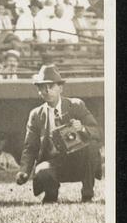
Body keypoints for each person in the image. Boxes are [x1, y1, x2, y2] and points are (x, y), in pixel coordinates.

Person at [15, 65, 101, 203]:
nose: (47, 90)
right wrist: (24, 170)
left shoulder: (76, 105)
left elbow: (97, 131)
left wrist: (82, 128)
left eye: (51, 85)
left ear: (60, 88)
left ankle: (87, 195)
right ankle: (51, 195)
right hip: (54, 163)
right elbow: (30, 147)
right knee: (42, 170)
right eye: (42, 87)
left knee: (91, 147)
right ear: (39, 91)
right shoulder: (36, 115)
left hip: (79, 161)